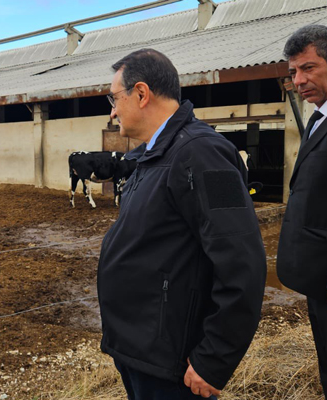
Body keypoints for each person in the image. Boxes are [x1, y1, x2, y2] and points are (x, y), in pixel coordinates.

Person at [96, 48, 266, 399]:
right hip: (143, 349)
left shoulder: (202, 155)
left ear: (141, 94)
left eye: (114, 98)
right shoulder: (153, 154)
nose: (112, 111)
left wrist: (214, 360)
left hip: (174, 361)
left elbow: (242, 263)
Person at [276, 24, 327, 396]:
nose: (298, 80)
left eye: (308, 67)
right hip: (318, 275)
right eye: (294, 71)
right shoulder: (317, 119)